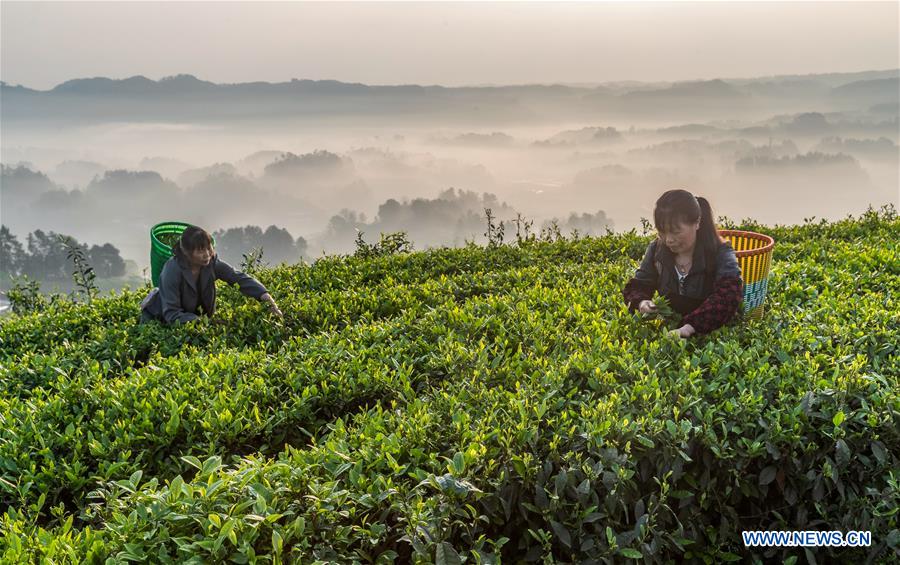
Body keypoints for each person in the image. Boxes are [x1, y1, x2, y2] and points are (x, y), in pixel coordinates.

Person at [622, 189, 743, 338]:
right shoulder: (656, 250)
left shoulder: (720, 252)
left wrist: (690, 327)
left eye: (675, 231)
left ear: (697, 222)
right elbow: (637, 285)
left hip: (711, 333)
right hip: (670, 329)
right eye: (662, 232)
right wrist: (641, 302)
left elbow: (728, 296)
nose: (668, 240)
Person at [139, 225, 282, 325]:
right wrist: (204, 322)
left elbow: (237, 277)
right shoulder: (172, 270)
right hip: (157, 318)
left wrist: (264, 296)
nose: (207, 254)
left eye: (209, 248)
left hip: (191, 319)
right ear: (187, 253)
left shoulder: (212, 263)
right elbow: (171, 314)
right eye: (201, 251)